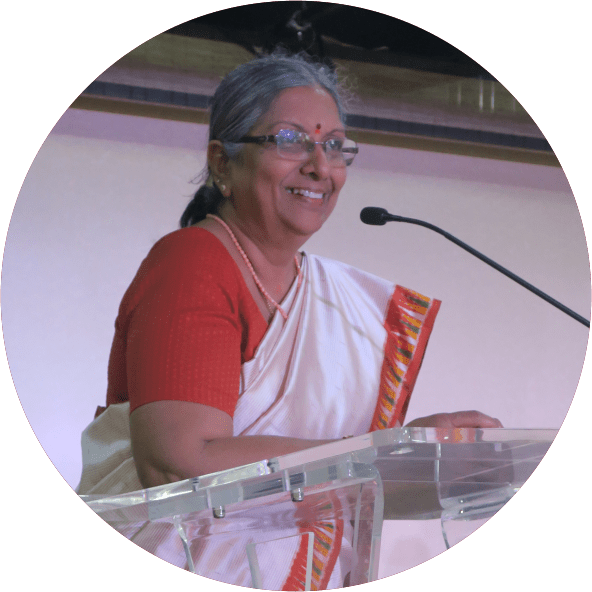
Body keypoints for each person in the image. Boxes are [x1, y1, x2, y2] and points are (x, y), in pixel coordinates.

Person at [77, 52, 501, 589]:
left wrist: (418, 463)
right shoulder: (193, 262)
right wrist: (388, 455)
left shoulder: (330, 298)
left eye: (335, 146)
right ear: (222, 163)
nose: (320, 167)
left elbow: (335, 479)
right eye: (290, 140)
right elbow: (179, 466)